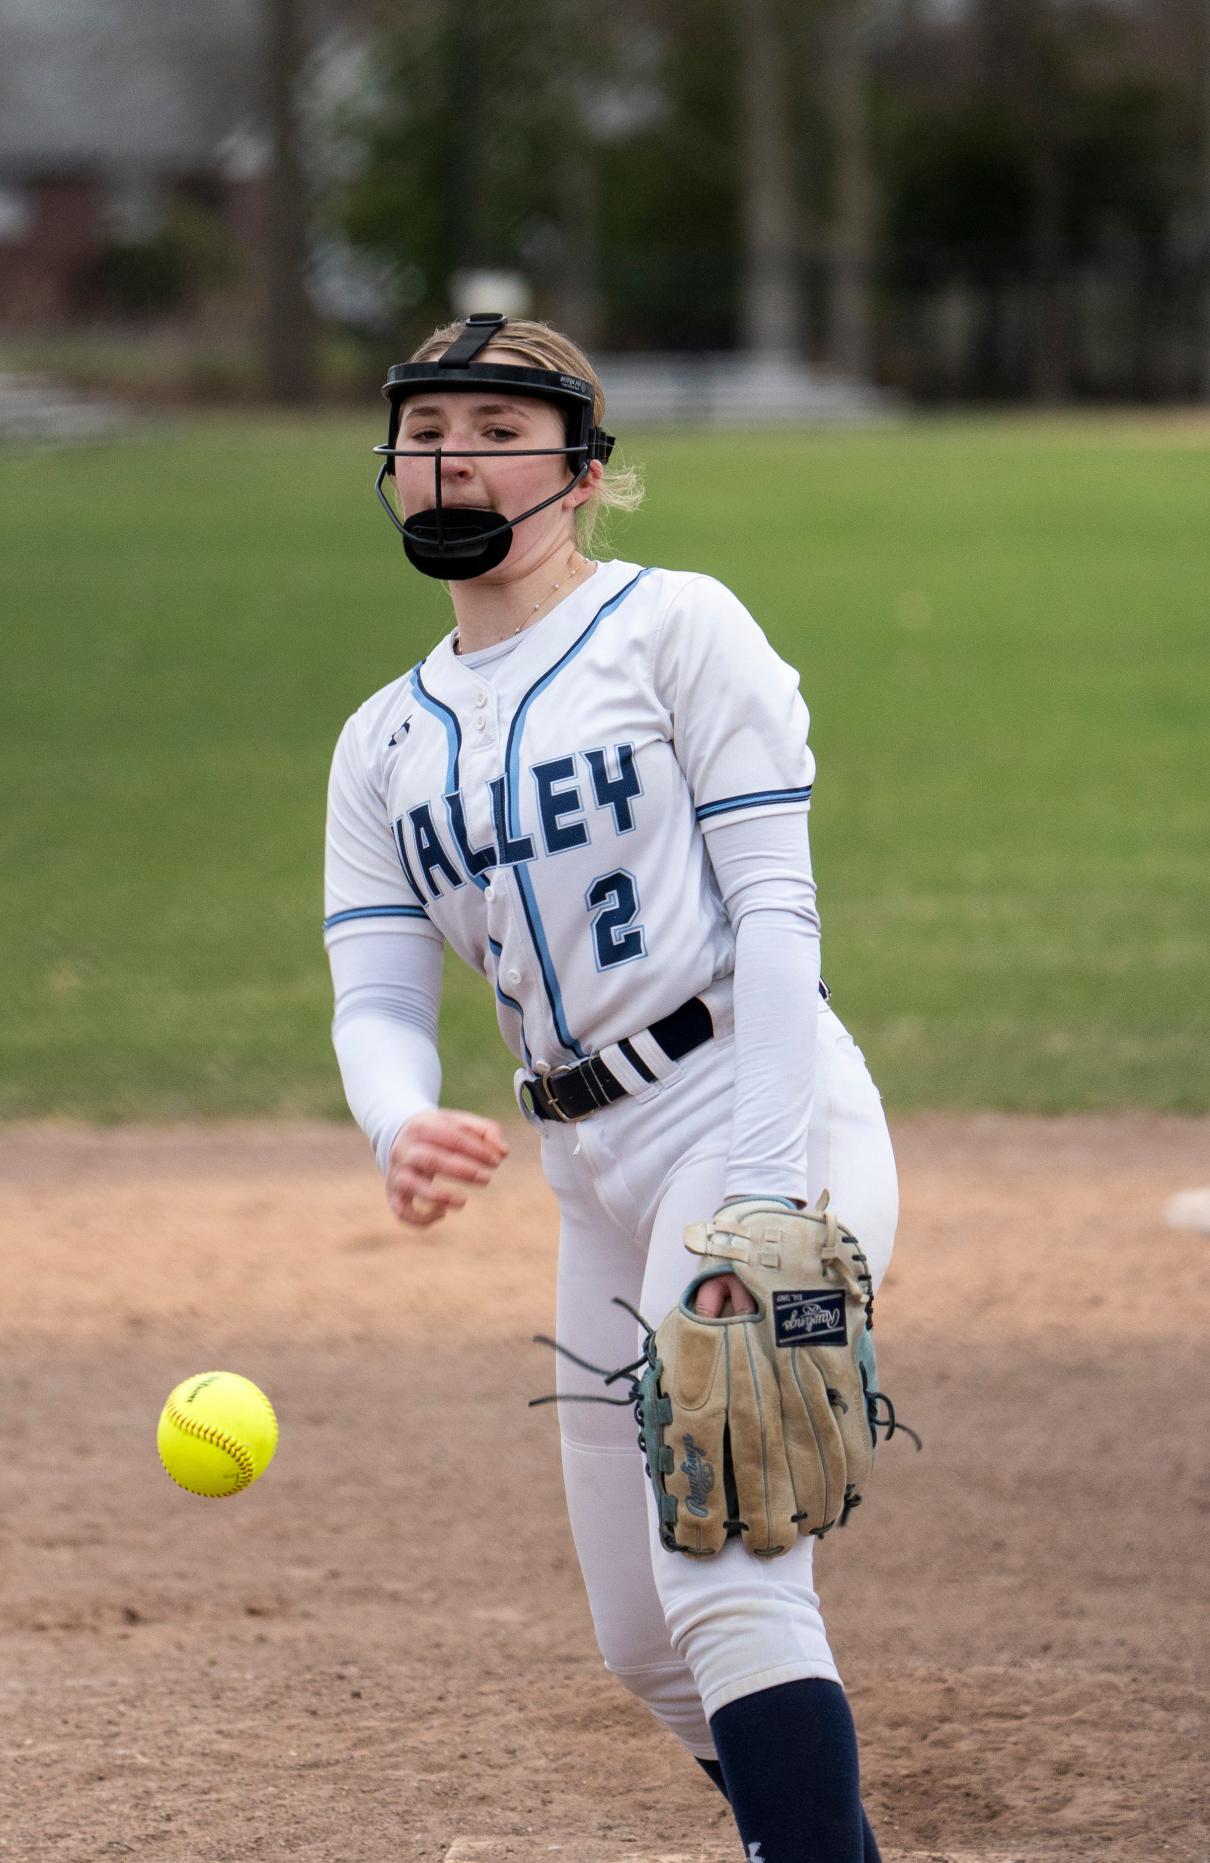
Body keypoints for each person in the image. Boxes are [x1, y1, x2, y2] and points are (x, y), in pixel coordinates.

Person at [324, 313, 900, 1863]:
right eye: (429, 426)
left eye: (500, 430)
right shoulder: (382, 742)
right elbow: (378, 994)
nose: (455, 453)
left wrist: (763, 1202)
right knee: (648, 1648)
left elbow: (777, 913)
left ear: (582, 474)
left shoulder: (676, 629)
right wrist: (397, 1117)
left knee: (725, 1569)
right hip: (592, 1169)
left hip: (750, 1115)